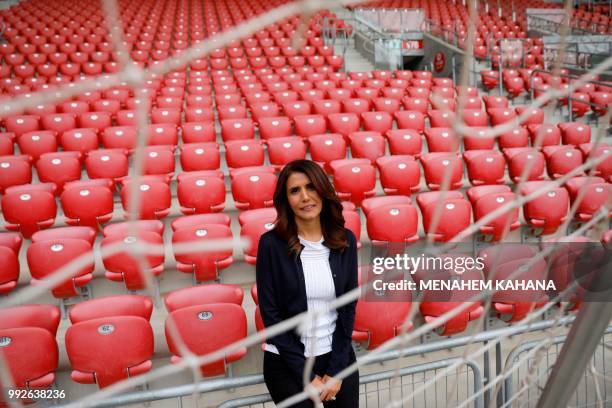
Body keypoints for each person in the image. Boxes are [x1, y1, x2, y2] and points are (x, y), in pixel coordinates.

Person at [255, 159, 359, 407]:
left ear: (323, 191)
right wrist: (306, 375)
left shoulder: (345, 241)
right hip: (288, 362)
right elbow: (271, 316)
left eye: (311, 187)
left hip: (336, 357)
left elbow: (348, 308)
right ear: (286, 200)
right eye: (295, 190)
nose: (305, 197)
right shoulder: (271, 245)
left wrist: (336, 370)